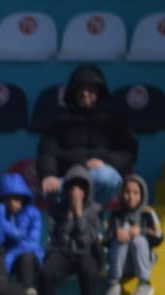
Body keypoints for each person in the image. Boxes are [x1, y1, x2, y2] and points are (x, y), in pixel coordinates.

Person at [36, 64, 136, 205]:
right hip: (68, 179)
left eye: (91, 90)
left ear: (99, 93)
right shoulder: (58, 121)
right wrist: (48, 174)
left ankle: (86, 217)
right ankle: (77, 221)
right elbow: (47, 152)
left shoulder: (116, 120)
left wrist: (105, 161)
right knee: (51, 190)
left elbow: (128, 152)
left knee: (105, 177)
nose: (85, 94)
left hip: (101, 179)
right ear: (72, 93)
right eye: (80, 90)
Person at [40, 170, 106, 295]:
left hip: (85, 253)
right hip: (62, 252)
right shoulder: (56, 209)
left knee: (90, 274)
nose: (76, 193)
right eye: (71, 188)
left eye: (80, 188)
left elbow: (86, 241)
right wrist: (69, 216)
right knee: (46, 273)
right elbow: (59, 240)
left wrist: (78, 215)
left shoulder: (95, 210)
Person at [0, 173, 45, 295]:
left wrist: (11, 254)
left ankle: (25, 294)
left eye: (17, 199)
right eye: (8, 199)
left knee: (26, 258)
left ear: (23, 199)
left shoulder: (33, 213)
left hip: (29, 256)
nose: (13, 203)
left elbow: (32, 243)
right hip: (4, 256)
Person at [104, 174, 159, 295]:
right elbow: (104, 239)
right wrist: (115, 234)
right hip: (120, 264)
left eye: (136, 193)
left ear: (142, 194)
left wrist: (141, 232)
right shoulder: (115, 215)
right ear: (121, 193)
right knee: (120, 241)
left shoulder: (148, 213)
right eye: (127, 192)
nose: (131, 197)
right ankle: (114, 284)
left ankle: (144, 284)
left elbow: (159, 237)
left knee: (138, 240)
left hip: (141, 263)